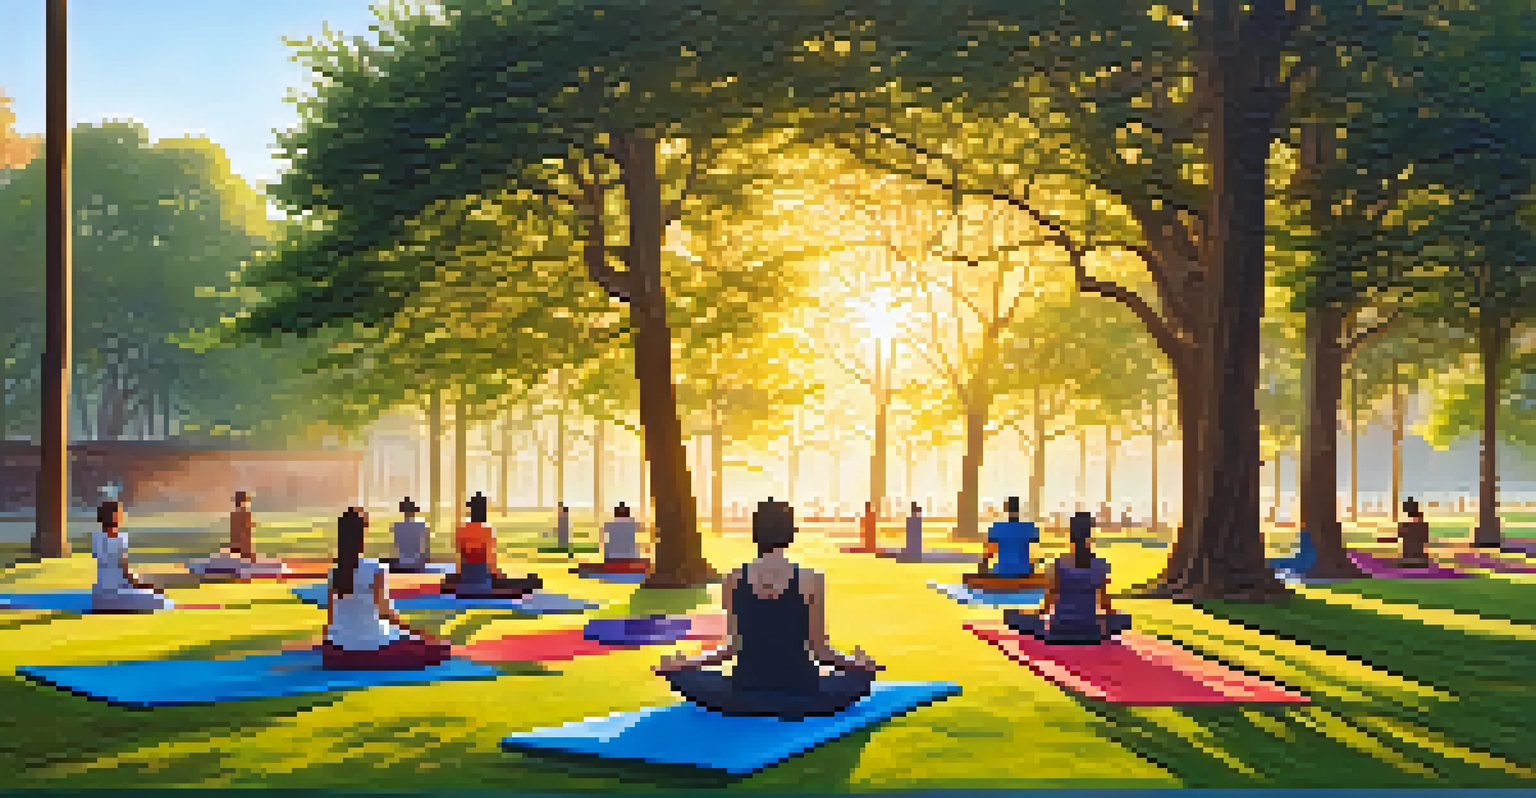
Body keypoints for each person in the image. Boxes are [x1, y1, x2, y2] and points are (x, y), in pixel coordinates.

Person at [655, 498, 882, 721]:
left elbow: (731, 649)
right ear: (790, 533)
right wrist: (857, 665)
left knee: (684, 677)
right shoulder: (811, 579)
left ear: (755, 533)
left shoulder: (733, 579)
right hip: (802, 693)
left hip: (745, 694)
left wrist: (685, 665)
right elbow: (821, 650)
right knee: (861, 677)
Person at [322, 507, 452, 670]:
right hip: (373, 644)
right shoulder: (375, 569)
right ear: (363, 535)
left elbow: (331, 618)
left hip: (340, 645)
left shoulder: (334, 572)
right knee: (437, 649)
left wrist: (331, 643)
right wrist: (414, 632)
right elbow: (385, 613)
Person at [1005, 512, 1131, 644]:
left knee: (1015, 617)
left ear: (1071, 535)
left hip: (1059, 630)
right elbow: (1105, 605)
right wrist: (1114, 616)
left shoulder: (1060, 563)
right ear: (1090, 535)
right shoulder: (1100, 565)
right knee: (1123, 618)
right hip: (1090, 631)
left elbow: (1046, 607)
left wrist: (1031, 614)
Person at [443, 492, 542, 597]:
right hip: (483, 577)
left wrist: (459, 576)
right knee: (506, 583)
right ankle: (529, 582)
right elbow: (490, 562)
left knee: (451, 580)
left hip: (466, 576)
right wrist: (498, 574)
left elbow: (459, 560)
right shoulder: (486, 531)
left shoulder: (460, 530)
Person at [91, 501, 174, 613]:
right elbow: (125, 573)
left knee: (151, 593)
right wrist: (143, 586)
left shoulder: (96, 538)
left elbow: (115, 570)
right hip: (117, 594)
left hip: (99, 597)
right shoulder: (119, 539)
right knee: (162, 600)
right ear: (115, 516)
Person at [979, 497, 1039, 578]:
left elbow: (989, 553)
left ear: (1007, 510)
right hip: (1024, 572)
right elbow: (1035, 552)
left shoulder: (997, 527)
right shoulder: (1029, 527)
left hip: (1002, 571)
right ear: (1018, 510)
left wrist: (983, 568)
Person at [385, 497, 431, 572]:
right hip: (417, 564)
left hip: (402, 563)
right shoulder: (421, 526)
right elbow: (426, 549)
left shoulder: (397, 526)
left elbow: (395, 546)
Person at [1387, 497, 1431, 567]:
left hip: (1412, 559)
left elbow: (1396, 538)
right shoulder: (1422, 526)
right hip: (1417, 560)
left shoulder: (1407, 526)